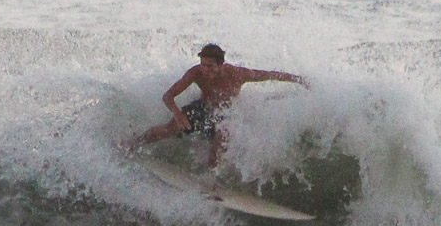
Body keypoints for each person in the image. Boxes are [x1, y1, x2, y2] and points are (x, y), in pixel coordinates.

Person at [121, 44, 309, 168]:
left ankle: (211, 178)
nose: (205, 69)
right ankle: (132, 144)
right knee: (171, 128)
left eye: (210, 66)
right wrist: (178, 114)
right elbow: (168, 96)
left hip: (226, 113)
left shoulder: (238, 74)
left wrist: (299, 80)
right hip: (203, 107)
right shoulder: (196, 73)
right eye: (203, 64)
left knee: (221, 137)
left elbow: (269, 74)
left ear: (221, 65)